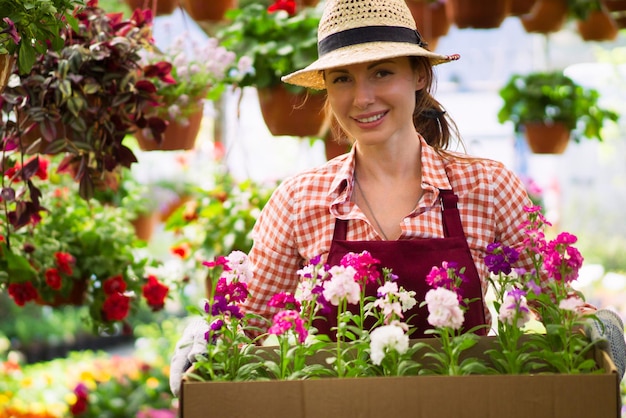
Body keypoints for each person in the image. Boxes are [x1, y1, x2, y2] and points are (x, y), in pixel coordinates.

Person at [170, 0, 625, 395]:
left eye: (382, 72)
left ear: (419, 75)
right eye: (343, 79)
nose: (362, 98)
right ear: (327, 89)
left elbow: (556, 305)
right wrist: (203, 343)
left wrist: (596, 328)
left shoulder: (485, 186)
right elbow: (247, 326)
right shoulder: (299, 200)